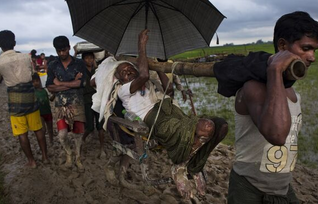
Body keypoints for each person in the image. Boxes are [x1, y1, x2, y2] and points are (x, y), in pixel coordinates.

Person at [94, 29, 228, 199]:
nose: (127, 71)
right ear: (119, 79)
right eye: (123, 72)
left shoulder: (150, 84)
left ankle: (191, 167)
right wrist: (141, 46)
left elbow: (169, 89)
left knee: (221, 126)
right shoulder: (123, 90)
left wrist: (157, 66)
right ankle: (183, 166)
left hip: (170, 112)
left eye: (129, 68)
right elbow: (142, 74)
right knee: (207, 128)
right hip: (155, 120)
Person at [227, 11, 318, 203]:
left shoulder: (292, 94)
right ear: (282, 45)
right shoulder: (253, 88)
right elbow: (277, 135)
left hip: (282, 187)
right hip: (248, 188)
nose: (312, 57)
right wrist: (274, 69)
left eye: (314, 50)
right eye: (306, 48)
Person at [0, 30, 49, 168]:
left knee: (22, 134)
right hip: (30, 98)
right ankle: (45, 157)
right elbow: (31, 74)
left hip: (15, 102)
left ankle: (32, 161)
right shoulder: (26, 57)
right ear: (15, 43)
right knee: (38, 130)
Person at [46, 35, 87, 172]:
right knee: (62, 135)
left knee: (78, 134)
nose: (62, 53)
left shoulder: (79, 63)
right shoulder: (52, 65)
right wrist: (72, 84)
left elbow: (82, 83)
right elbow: (50, 87)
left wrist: (60, 83)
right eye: (59, 51)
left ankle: (78, 158)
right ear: (56, 50)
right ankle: (69, 154)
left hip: (77, 102)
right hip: (60, 104)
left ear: (69, 47)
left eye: (64, 50)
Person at [80, 51, 105, 157]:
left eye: (91, 58)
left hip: (98, 99)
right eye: (87, 58)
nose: (89, 60)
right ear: (83, 60)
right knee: (89, 127)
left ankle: (102, 148)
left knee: (100, 126)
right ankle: (82, 140)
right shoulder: (81, 72)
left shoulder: (98, 71)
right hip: (87, 100)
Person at [32, 73, 54, 145]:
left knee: (50, 128)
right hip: (40, 113)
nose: (36, 83)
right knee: (43, 129)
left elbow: (50, 99)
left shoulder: (45, 90)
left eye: (37, 81)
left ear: (40, 81)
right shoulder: (33, 92)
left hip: (48, 112)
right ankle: (43, 142)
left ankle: (51, 141)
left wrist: (55, 94)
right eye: (33, 82)